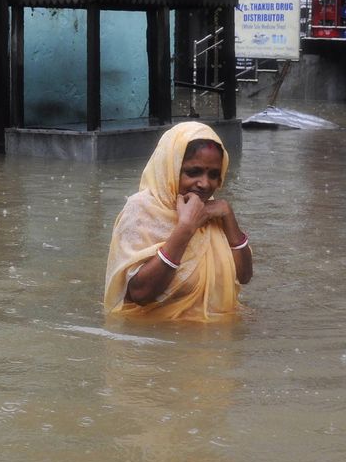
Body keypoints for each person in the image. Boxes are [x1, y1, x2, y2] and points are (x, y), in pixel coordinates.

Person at [104, 121, 253, 322]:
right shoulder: (141, 210)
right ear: (170, 168)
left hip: (214, 345)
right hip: (157, 344)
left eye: (214, 175)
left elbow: (244, 276)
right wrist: (186, 228)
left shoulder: (212, 213)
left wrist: (228, 216)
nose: (204, 184)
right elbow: (139, 294)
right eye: (193, 172)